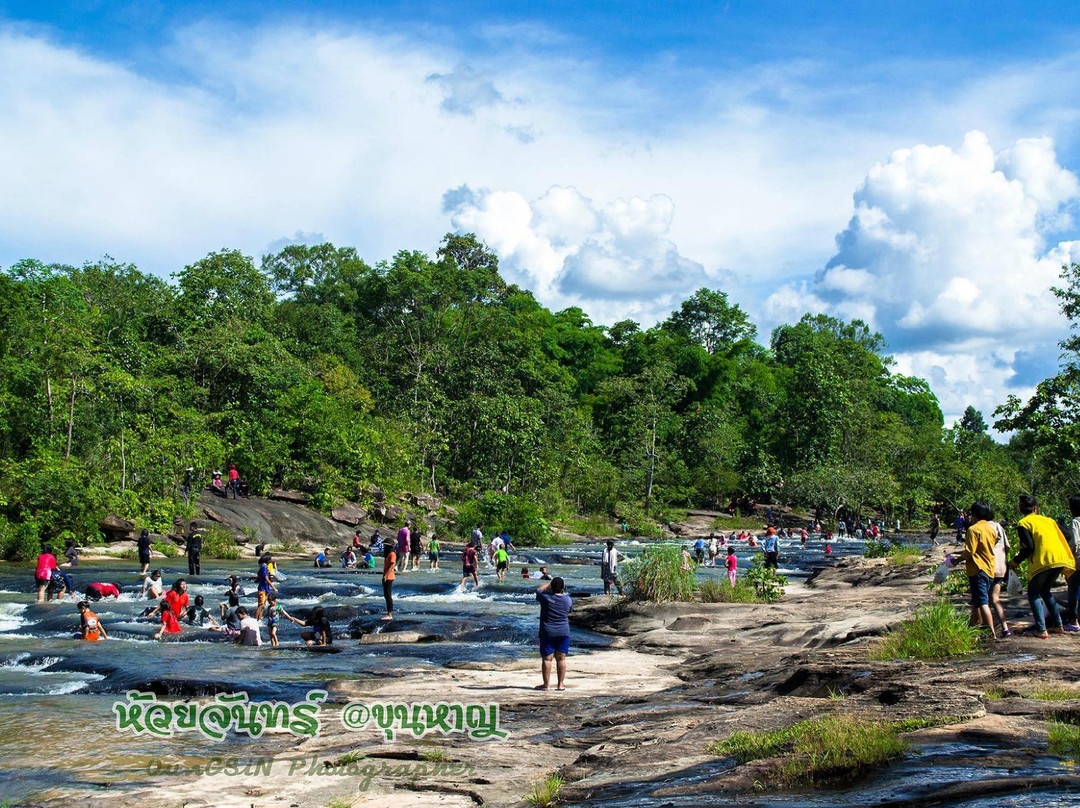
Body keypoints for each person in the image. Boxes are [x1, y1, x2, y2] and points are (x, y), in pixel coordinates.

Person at [1012, 494, 1076, 638]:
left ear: (1021, 510)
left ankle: (1041, 629)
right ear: (1035, 508)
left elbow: (1027, 548)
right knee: (1045, 591)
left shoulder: (1023, 523)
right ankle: (1058, 625)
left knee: (1033, 592)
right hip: (1060, 558)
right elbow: (1067, 534)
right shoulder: (1049, 520)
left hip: (1044, 560)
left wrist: (1014, 562)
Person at [953, 502, 999, 638]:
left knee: (983, 602)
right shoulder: (991, 529)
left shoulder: (973, 530)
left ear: (975, 514)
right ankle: (972, 627)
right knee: (977, 601)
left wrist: (957, 560)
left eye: (971, 514)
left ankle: (992, 633)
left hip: (977, 569)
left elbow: (970, 551)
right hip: (989, 568)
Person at [536, 577, 572, 691]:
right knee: (561, 659)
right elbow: (569, 611)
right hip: (563, 631)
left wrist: (549, 583)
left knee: (547, 659)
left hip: (547, 632)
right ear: (563, 588)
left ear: (551, 587)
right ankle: (560, 684)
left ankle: (546, 685)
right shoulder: (568, 600)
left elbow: (538, 590)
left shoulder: (546, 598)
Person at [986, 507, 1012, 638]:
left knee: (982, 600)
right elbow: (1007, 547)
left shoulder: (981, 528)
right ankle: (1005, 628)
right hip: (1000, 567)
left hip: (986, 567)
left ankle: (986, 628)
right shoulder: (999, 527)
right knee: (995, 598)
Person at [1065, 495, 1080, 631]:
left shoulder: (1075, 522)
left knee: (1073, 590)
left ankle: (1074, 621)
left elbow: (1074, 542)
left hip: (1078, 562)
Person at [255, 554, 277, 620]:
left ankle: (259, 619)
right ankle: (255, 620)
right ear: (267, 560)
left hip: (265, 588)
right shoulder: (264, 567)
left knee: (263, 606)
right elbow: (266, 578)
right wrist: (274, 588)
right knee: (261, 605)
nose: (271, 560)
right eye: (270, 559)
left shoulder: (263, 566)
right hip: (263, 589)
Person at [382, 540, 396, 621]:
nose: (384, 547)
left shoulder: (392, 554)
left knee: (388, 595)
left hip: (389, 577)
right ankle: (388, 612)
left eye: (385, 546)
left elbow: (391, 566)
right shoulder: (387, 554)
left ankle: (390, 614)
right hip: (386, 576)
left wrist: (386, 576)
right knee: (386, 595)